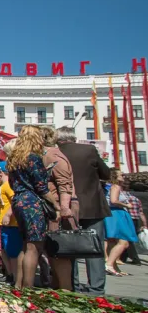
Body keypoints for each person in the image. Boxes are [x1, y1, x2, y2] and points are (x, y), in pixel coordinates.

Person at [56, 126, 111, 295]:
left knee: (69, 246)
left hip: (67, 206)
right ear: (73, 137)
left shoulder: (56, 152)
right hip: (92, 206)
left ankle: (73, 284)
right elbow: (106, 173)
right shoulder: (89, 150)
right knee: (95, 248)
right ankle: (96, 287)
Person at [8, 126, 60, 290]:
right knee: (34, 246)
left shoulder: (14, 158)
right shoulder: (33, 158)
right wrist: (56, 205)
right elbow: (42, 187)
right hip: (32, 202)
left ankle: (19, 285)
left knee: (25, 244)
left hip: (18, 200)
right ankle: (28, 288)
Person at [39, 126, 78, 290]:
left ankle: (65, 291)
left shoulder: (53, 155)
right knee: (53, 253)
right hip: (53, 207)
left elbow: (65, 184)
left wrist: (63, 207)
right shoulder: (48, 154)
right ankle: (58, 290)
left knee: (59, 253)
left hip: (57, 210)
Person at [102, 169, 139, 276]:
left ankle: (114, 267)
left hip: (112, 214)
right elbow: (114, 201)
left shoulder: (109, 187)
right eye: (121, 174)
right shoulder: (116, 187)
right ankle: (109, 265)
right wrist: (127, 205)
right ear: (115, 176)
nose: (123, 176)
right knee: (124, 242)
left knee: (112, 241)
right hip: (117, 215)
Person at [0, 139, 19, 283]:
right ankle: (9, 274)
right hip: (2, 223)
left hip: (11, 224)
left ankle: (15, 276)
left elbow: (15, 199)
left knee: (12, 252)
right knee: (4, 251)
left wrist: (9, 214)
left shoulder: (8, 185)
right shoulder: (1, 187)